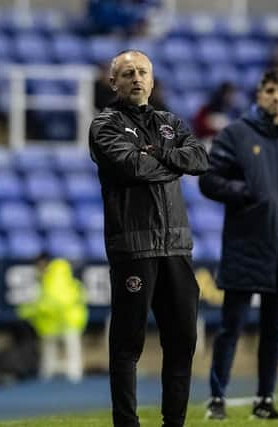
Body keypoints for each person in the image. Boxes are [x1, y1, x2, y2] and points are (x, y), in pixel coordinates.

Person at [89, 49, 209, 427]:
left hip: (176, 246)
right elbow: (132, 166)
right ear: (114, 83)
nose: (136, 78)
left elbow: (200, 160)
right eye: (127, 73)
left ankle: (174, 422)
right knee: (128, 344)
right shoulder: (104, 125)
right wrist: (172, 162)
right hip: (134, 246)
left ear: (153, 81)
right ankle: (126, 423)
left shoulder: (170, 121)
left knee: (183, 341)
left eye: (142, 72)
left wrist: (157, 152)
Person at [199, 67, 278, 420]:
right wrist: (243, 192)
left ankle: (265, 400)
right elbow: (209, 180)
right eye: (269, 89)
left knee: (274, 332)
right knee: (231, 329)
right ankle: (217, 399)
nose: (275, 96)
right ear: (258, 96)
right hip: (244, 246)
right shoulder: (236, 135)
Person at [17, 253, 88, 383]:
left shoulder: (58, 274)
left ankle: (74, 375)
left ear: (44, 263)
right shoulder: (45, 277)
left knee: (71, 345)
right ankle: (49, 374)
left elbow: (55, 300)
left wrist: (32, 311)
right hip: (53, 320)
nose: (38, 267)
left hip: (68, 317)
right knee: (50, 347)